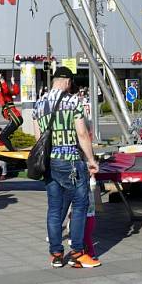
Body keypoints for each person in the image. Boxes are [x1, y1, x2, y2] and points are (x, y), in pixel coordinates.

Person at [34, 66, 101, 268]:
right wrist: (91, 160)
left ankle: (55, 254)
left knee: (54, 208)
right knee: (79, 206)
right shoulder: (73, 101)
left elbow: (39, 139)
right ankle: (78, 253)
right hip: (71, 160)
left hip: (50, 162)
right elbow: (82, 134)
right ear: (67, 81)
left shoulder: (39, 103)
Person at [0, 74, 22, 151]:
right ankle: (12, 150)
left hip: (15, 118)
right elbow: (15, 91)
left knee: (2, 136)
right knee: (4, 136)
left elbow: (5, 89)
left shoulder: (4, 93)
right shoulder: (3, 94)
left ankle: (12, 152)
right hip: (15, 118)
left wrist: (1, 79)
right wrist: (13, 83)